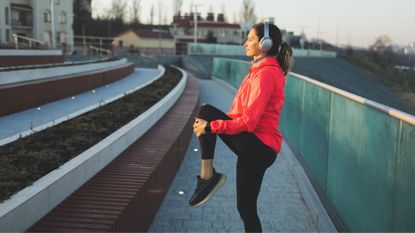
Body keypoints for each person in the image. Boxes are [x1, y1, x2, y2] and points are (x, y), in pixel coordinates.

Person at [189, 22, 294, 232]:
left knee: (207, 112)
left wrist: (211, 127)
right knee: (245, 209)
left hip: (259, 146)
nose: (245, 43)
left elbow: (249, 122)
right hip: (256, 147)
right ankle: (208, 178)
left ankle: (208, 178)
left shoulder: (266, 75)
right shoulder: (256, 72)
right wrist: (213, 127)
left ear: (265, 44)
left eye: (250, 39)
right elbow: (237, 116)